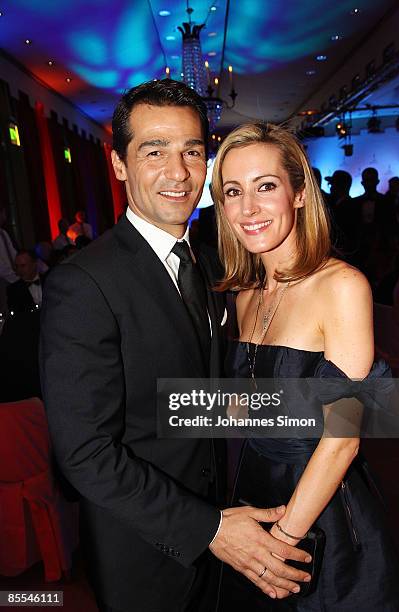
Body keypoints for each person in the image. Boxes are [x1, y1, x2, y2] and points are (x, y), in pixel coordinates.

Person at [40, 81, 310, 612]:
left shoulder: (211, 263)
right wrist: (209, 529)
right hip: (147, 552)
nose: (179, 172)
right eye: (154, 150)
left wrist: (350, 410)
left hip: (227, 526)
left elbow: (198, 401)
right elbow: (85, 453)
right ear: (118, 164)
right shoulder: (84, 283)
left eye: (191, 151)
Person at [211, 122, 399, 610]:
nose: (248, 208)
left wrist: (280, 541)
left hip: (318, 509)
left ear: (299, 194)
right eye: (233, 191)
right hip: (252, 493)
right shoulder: (244, 295)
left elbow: (343, 436)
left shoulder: (341, 287)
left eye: (266, 187)